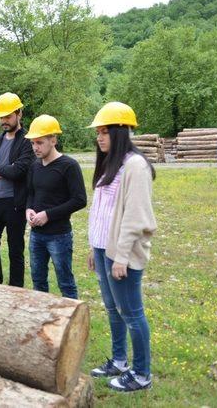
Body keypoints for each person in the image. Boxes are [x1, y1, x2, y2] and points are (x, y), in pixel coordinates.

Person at [86, 102, 157, 392]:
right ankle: (119, 361)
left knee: (132, 312)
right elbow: (102, 210)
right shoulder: (110, 164)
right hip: (104, 250)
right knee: (113, 309)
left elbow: (135, 217)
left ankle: (142, 374)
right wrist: (94, 247)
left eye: (105, 132)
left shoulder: (136, 166)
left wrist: (122, 257)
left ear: (121, 132)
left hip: (121, 255)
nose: (100, 137)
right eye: (98, 132)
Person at [25, 115, 87, 299]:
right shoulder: (34, 166)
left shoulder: (69, 166)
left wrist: (48, 215)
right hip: (36, 236)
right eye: (32, 143)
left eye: (39, 142)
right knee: (38, 280)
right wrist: (29, 209)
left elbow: (79, 199)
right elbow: (31, 193)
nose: (35, 147)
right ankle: (41, 319)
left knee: (65, 283)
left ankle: (73, 321)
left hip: (59, 236)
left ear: (53, 140)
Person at [0, 92, 35, 287]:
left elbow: (20, 171)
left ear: (19, 114)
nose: (4, 121)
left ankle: (16, 289)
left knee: (15, 250)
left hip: (14, 203)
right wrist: (4, 170)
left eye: (8, 116)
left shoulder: (27, 141)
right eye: (1, 117)